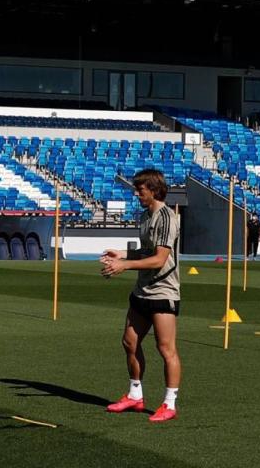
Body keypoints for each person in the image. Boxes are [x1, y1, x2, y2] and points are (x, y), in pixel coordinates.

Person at [100, 169, 181, 423]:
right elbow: (146, 252)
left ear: (154, 190)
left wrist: (124, 266)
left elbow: (158, 259)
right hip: (142, 290)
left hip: (163, 290)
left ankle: (169, 403)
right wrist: (122, 255)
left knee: (165, 348)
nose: (137, 194)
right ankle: (135, 395)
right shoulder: (145, 217)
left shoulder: (167, 218)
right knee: (129, 343)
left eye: (140, 190)